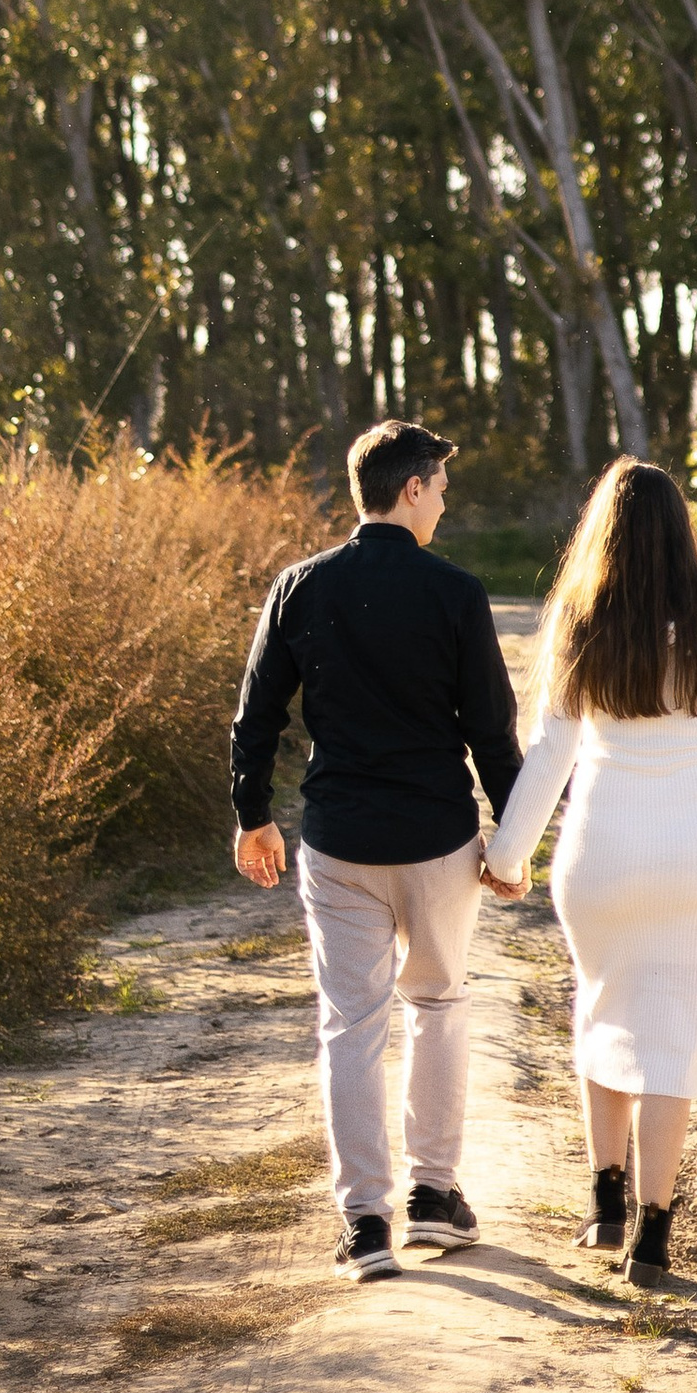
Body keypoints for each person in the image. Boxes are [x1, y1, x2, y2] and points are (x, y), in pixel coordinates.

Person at [231, 418, 522, 1283]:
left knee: (350, 1028)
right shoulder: (455, 592)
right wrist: (512, 841)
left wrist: (253, 814)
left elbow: (256, 716)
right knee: (437, 1006)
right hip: (437, 842)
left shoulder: (299, 586)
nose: (443, 503)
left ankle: (366, 1225)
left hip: (341, 844)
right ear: (410, 490)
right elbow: (493, 734)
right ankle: (434, 1198)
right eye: (439, 488)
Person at [481, 457, 697, 1290]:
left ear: (600, 535)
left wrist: (507, 856)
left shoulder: (580, 616)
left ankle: (603, 1202)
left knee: (604, 1010)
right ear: (680, 531)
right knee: (676, 1038)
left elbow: (549, 756)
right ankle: (652, 1233)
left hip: (602, 853)